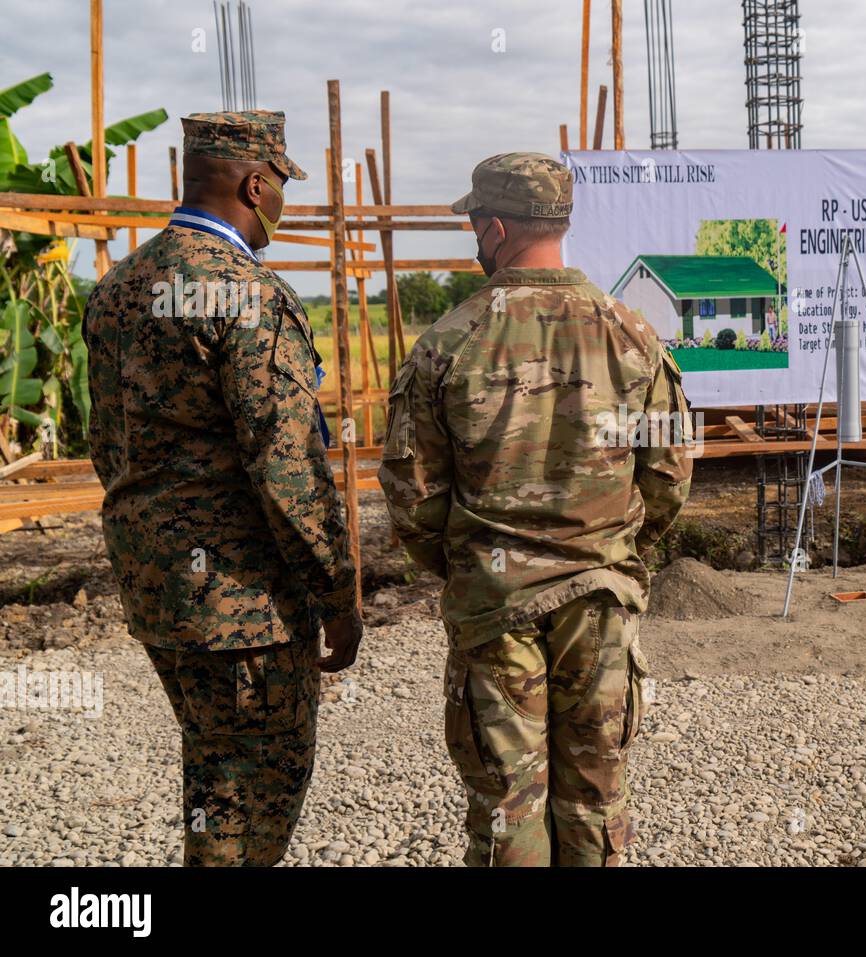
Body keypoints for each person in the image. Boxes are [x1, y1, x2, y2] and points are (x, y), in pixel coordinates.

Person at [379, 152, 693, 866]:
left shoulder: (447, 342)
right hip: (602, 598)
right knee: (596, 795)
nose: (475, 240)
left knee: (508, 802)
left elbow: (413, 497)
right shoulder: (634, 333)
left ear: (494, 227)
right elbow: (670, 476)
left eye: (475, 226)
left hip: (495, 605)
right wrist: (610, 544)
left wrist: (470, 565)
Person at [83, 110, 362, 866]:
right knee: (249, 797)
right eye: (280, 188)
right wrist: (336, 594)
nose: (282, 205)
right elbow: (289, 471)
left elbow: (106, 444)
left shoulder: (117, 288)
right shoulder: (249, 295)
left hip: (157, 589)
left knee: (213, 775)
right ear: (253, 181)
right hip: (244, 608)